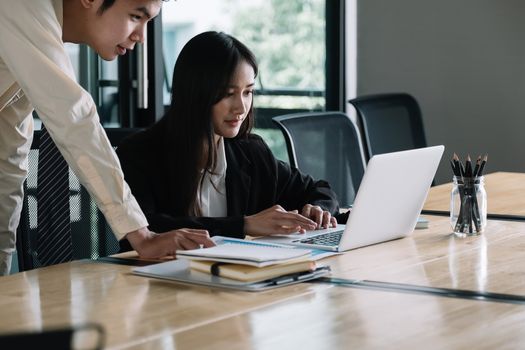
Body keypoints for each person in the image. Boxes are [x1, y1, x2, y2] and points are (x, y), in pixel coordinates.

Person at [0, 0, 214, 275]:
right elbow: (73, 115)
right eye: (136, 16)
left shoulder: (31, 42)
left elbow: (8, 159)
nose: (142, 37)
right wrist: (141, 235)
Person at [117, 31, 344, 249]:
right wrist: (244, 224)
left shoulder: (251, 151)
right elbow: (143, 231)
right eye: (228, 94)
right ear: (196, 93)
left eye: (248, 92)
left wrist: (317, 209)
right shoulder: (139, 153)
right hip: (158, 279)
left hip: (237, 279)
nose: (242, 107)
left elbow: (319, 190)